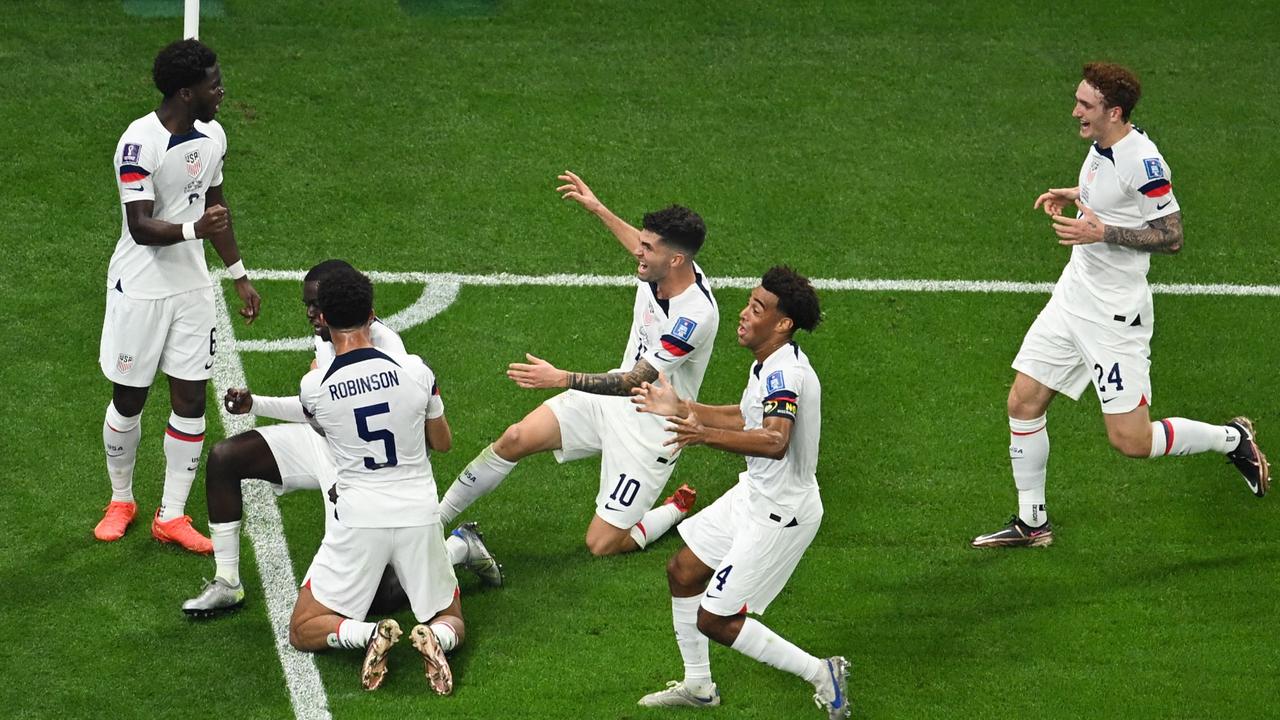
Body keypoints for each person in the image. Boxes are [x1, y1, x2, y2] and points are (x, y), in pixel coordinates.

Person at [972, 63, 1270, 549]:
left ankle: (1232, 438)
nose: (1075, 112)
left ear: (1115, 112)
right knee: (1023, 400)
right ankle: (1032, 522)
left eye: (1085, 106)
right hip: (1074, 297)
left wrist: (1101, 231)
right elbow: (1110, 193)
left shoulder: (1144, 162)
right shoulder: (1102, 145)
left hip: (1114, 317)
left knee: (1131, 441)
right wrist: (1076, 195)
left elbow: (1172, 238)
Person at [181, 260, 502, 619]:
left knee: (376, 602)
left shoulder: (389, 349)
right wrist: (256, 404)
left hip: (361, 465)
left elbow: (410, 429)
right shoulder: (328, 332)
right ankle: (227, 581)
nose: (311, 314)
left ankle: (457, 548)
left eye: (317, 306)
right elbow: (316, 406)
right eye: (308, 305)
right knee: (226, 458)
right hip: (325, 442)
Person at [436, 171, 719, 556]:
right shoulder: (659, 269)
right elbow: (638, 246)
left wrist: (560, 378)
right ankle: (432, 523)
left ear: (676, 259)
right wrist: (598, 208)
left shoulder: (695, 316)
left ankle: (673, 510)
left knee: (601, 544)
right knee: (514, 438)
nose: (639, 250)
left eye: (648, 247)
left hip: (651, 431)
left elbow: (635, 381)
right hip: (607, 403)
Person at [630, 266, 849, 718]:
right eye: (749, 303)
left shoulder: (784, 374)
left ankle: (822, 673)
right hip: (755, 495)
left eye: (757, 308)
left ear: (783, 323)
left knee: (715, 618)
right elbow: (745, 415)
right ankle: (698, 685)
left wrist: (700, 434)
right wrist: (685, 408)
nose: (744, 314)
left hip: (781, 513)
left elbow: (774, 439)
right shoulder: (768, 363)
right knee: (684, 570)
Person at [96, 38, 261, 554]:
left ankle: (171, 514)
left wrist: (237, 273)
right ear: (187, 92)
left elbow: (216, 205)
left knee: (190, 400)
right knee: (131, 398)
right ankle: (121, 499)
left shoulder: (214, 136)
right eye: (215, 84)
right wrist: (196, 230)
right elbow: (141, 227)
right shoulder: (138, 143)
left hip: (191, 288)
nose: (222, 91)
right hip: (141, 289)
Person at [283, 266, 463, 693]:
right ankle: (434, 637)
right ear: (373, 315)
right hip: (419, 513)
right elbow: (442, 442)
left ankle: (367, 634)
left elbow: (326, 434)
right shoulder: (418, 372)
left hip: (358, 518)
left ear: (322, 319)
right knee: (450, 614)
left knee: (303, 627)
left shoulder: (314, 387)